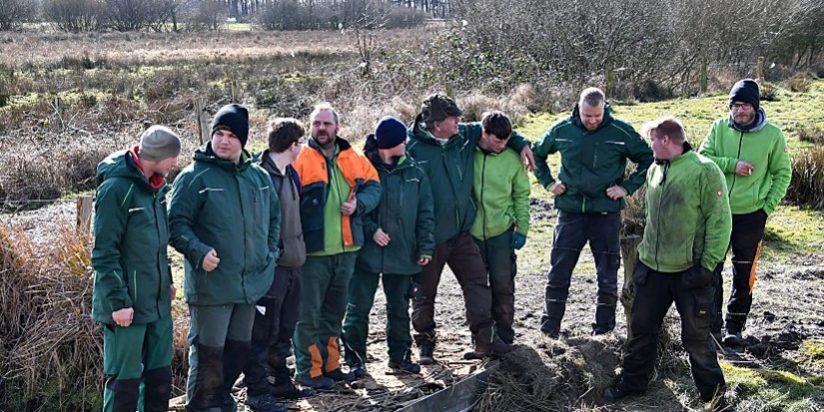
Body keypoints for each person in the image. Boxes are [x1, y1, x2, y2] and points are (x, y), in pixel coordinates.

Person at [603, 116, 732, 411]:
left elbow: (720, 222)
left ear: (665, 140)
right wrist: (644, 261)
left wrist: (707, 266)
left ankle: (715, 399)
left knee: (696, 338)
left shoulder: (705, 171)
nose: (649, 146)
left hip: (691, 272)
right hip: (653, 269)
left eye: (651, 140)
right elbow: (652, 219)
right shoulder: (654, 170)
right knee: (641, 328)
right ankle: (633, 383)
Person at [169, 104, 281, 412]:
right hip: (211, 287)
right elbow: (175, 224)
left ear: (243, 140)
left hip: (249, 285)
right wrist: (198, 251)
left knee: (237, 351)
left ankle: (223, 402)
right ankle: (203, 407)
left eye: (231, 135)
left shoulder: (258, 178)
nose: (224, 140)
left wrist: (270, 256)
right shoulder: (195, 178)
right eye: (219, 133)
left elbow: (274, 220)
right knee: (209, 356)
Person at [407, 94, 534, 363]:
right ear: (437, 123)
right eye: (454, 118)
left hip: (461, 232)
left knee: (477, 284)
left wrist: (522, 143)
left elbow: (497, 128)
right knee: (425, 292)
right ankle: (425, 344)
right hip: (429, 237)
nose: (460, 121)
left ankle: (484, 343)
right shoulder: (413, 148)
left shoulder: (463, 135)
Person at [532, 87, 653, 338]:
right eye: (588, 116)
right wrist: (548, 183)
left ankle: (603, 332)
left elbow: (647, 158)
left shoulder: (620, 131)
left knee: (607, 275)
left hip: (606, 214)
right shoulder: (562, 130)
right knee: (559, 272)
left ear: (604, 108)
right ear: (579, 108)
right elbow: (537, 153)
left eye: (597, 116)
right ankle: (549, 329)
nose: (592, 121)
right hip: (570, 212)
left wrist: (627, 188)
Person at [291, 103, 381, 389]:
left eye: (326, 124)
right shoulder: (299, 158)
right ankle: (308, 371)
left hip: (347, 250)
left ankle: (331, 366)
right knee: (308, 315)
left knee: (334, 313)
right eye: (316, 123)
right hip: (313, 253)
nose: (321, 128)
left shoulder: (352, 156)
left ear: (337, 127)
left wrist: (359, 205)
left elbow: (375, 186)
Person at [91, 125, 181, 412]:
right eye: (173, 157)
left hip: (157, 303)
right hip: (125, 309)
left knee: (159, 379)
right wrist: (118, 303)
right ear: (157, 156)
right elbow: (104, 253)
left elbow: (157, 243)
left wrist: (166, 281)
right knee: (124, 385)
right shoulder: (116, 189)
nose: (176, 163)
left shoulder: (156, 188)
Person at [698, 79, 792, 347]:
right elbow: (702, 159)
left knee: (744, 273)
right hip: (717, 212)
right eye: (735, 105)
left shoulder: (772, 135)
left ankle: (734, 328)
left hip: (751, 215)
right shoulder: (718, 128)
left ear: (755, 107)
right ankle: (712, 326)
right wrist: (731, 165)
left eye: (745, 105)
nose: (740, 111)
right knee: (711, 270)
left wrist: (767, 207)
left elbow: (783, 173)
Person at [341, 116, 435, 376]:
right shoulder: (363, 171)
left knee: (399, 308)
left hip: (403, 251)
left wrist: (425, 247)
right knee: (358, 307)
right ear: (389, 145)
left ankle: (400, 356)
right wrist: (372, 231)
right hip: (366, 252)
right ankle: (355, 358)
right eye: (401, 140)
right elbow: (354, 207)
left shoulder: (416, 173)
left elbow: (426, 213)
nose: (406, 143)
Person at [242, 118, 315, 410]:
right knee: (262, 333)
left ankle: (281, 382)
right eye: (301, 142)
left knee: (284, 329)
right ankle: (258, 391)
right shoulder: (262, 178)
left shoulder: (291, 174)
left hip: (294, 265)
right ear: (293, 144)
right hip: (272, 269)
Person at [468, 111, 531, 350]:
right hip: (471, 233)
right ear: (484, 134)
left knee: (503, 286)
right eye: (497, 141)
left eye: (507, 141)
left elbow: (522, 195)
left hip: (501, 232)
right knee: (475, 290)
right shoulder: (468, 153)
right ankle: (480, 341)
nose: (502, 146)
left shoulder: (513, 159)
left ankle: (505, 337)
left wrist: (522, 228)